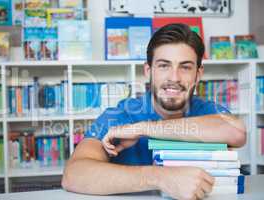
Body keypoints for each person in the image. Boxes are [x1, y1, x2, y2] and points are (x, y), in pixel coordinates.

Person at [62, 23, 246, 200]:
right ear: (148, 70)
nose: (174, 78)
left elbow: (236, 132)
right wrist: (160, 178)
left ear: (198, 74)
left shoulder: (207, 110)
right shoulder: (121, 114)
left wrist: (141, 129)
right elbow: (74, 175)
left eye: (185, 67)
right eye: (164, 65)